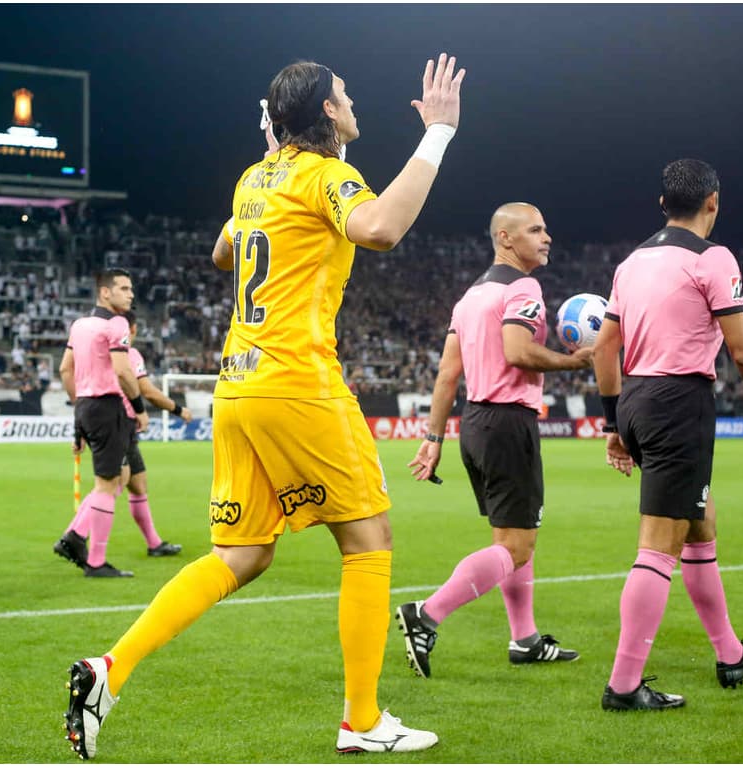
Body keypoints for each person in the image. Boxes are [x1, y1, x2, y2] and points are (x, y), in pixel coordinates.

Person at [61, 52, 466, 759]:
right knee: (369, 542)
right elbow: (378, 230)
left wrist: (271, 163)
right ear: (329, 116)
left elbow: (225, 253)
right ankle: (363, 720)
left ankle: (109, 670)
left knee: (241, 554)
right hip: (298, 381)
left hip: (238, 386)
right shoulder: (326, 173)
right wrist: (437, 133)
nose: (353, 100)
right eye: (345, 94)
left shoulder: (256, 177)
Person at [592, 158, 743, 711]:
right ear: (712, 202)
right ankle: (622, 687)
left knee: (700, 525)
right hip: (677, 403)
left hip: (639, 400)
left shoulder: (630, 263)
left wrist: (614, 423)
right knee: (659, 544)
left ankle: (730, 654)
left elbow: (604, 349)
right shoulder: (713, 258)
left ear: (662, 204)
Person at [396, 203, 593, 679]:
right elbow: (518, 351)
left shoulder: (470, 298)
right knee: (518, 547)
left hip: (476, 423)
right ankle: (425, 616)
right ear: (505, 238)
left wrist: (433, 437)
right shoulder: (523, 287)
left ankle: (524, 640)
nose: (547, 237)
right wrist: (578, 361)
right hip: (507, 424)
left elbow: (447, 375)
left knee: (511, 538)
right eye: (535, 229)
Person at [54, 310, 190, 573]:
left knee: (137, 483)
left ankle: (154, 543)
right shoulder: (128, 353)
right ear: (133, 328)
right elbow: (147, 391)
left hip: (104, 418)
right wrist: (177, 409)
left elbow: (67, 371)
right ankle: (75, 536)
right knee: (114, 482)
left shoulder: (93, 345)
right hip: (119, 423)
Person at [57, 268, 149, 578]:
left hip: (85, 405)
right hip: (109, 407)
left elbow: (65, 370)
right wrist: (139, 408)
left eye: (131, 288)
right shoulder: (117, 323)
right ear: (105, 292)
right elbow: (123, 372)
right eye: (123, 288)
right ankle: (94, 561)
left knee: (115, 479)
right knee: (109, 484)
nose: (130, 294)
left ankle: (74, 536)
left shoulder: (80, 325)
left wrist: (79, 406)